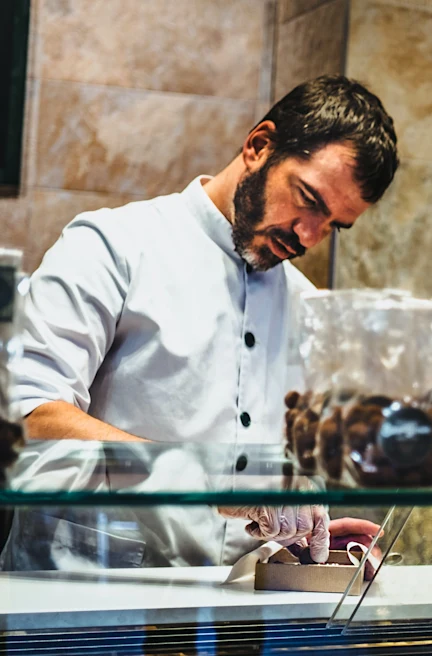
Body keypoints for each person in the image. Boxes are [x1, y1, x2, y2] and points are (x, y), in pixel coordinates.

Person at [1, 74, 398, 570]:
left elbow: (271, 488)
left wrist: (296, 539)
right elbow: (28, 416)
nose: (308, 235)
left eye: (333, 225)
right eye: (308, 200)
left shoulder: (305, 304)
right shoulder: (111, 246)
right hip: (75, 603)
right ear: (259, 145)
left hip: (228, 621)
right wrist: (204, 477)